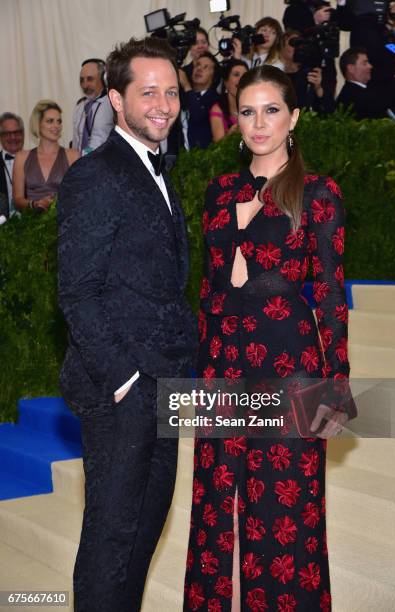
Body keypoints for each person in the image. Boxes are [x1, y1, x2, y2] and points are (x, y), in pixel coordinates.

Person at [183, 65, 356, 611]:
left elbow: (330, 295)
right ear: (237, 120)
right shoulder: (217, 192)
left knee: (283, 510)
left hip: (289, 360)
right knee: (214, 504)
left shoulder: (319, 193)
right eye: (249, 111)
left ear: (294, 117)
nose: (259, 124)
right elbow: (209, 290)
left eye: (272, 110)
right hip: (221, 363)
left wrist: (337, 387)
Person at [58, 36, 196, 612]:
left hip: (164, 387)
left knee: (142, 536)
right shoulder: (95, 174)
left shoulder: (159, 172)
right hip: (125, 393)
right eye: (148, 92)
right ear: (116, 99)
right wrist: (124, 380)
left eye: (171, 92)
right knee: (111, 540)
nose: (163, 103)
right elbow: (78, 293)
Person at [13, 100, 78, 212]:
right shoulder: (21, 157)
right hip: (31, 224)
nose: (56, 126)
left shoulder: (73, 155)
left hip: (64, 222)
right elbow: (17, 200)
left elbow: (79, 195)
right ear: (38, 124)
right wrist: (34, 204)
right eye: (50, 121)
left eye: (59, 121)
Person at [336, 46, 395, 122]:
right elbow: (381, 102)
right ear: (351, 68)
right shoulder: (349, 94)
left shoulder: (369, 90)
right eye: (365, 63)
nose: (370, 66)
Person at [282, 30, 335, 114]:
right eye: (293, 43)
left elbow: (329, 108)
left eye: (300, 44)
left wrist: (318, 88)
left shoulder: (311, 72)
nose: (297, 48)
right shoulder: (277, 74)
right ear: (282, 48)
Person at [72, 58, 114, 154]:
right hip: (81, 164)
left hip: (104, 164)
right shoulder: (79, 107)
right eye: (82, 80)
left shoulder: (113, 104)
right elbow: (76, 141)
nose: (85, 85)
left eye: (90, 79)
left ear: (103, 79)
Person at [179, 52, 220, 149]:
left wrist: (186, 85)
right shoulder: (181, 95)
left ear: (213, 76)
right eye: (197, 65)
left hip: (201, 158)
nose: (199, 69)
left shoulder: (215, 100)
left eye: (205, 67)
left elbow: (197, 115)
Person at [210, 60, 248, 143]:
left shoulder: (255, 105)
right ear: (226, 82)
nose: (241, 79)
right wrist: (230, 135)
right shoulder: (217, 109)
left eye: (244, 75)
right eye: (236, 75)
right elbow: (218, 148)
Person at [0, 112, 24, 223]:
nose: (13, 137)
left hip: (32, 226)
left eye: (17, 132)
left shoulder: (34, 161)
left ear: (23, 134)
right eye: (7, 133)